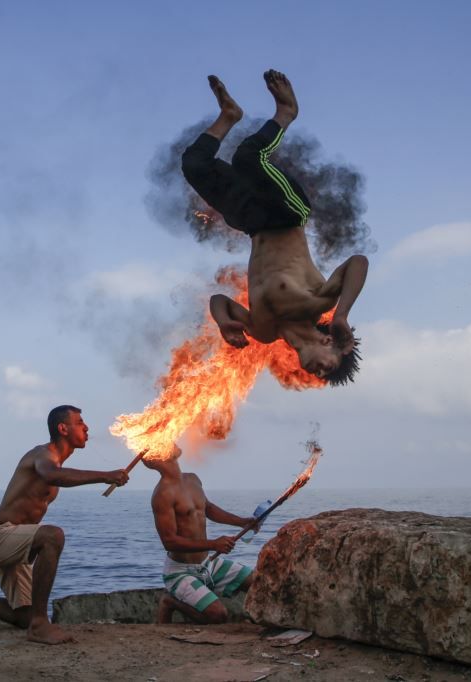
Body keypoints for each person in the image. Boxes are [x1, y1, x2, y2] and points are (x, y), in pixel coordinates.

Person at [181, 69, 369, 386]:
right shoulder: (318, 301)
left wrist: (224, 322)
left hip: (251, 222)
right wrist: (341, 315)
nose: (316, 372)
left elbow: (219, 301)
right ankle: (286, 113)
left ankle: (228, 116)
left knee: (194, 165)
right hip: (287, 214)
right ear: (328, 343)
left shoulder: (263, 331)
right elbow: (358, 263)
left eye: (319, 375)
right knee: (248, 158)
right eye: (327, 367)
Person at [0, 405, 130, 645]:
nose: (87, 427)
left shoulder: (55, 462)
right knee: (53, 536)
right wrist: (105, 475)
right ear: (63, 428)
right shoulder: (43, 454)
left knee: (23, 617)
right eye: (80, 422)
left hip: (15, 544)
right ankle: (40, 626)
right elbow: (50, 475)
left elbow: (56, 476)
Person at [145, 446, 258, 624]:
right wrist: (213, 544)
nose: (172, 440)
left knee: (258, 582)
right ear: (156, 456)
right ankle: (170, 602)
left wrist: (243, 522)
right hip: (181, 572)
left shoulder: (192, 479)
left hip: (210, 563)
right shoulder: (162, 494)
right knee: (218, 616)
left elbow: (209, 509)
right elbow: (169, 542)